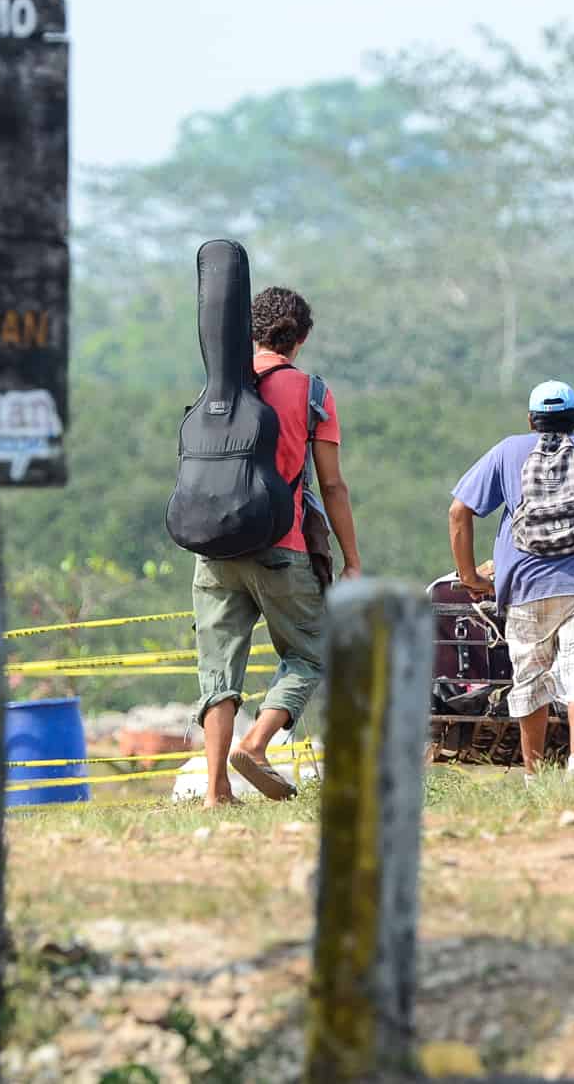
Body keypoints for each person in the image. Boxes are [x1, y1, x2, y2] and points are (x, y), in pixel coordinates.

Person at [193, 286, 363, 807]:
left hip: (213, 543)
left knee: (219, 672)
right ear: (301, 339)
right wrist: (352, 558)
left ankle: (216, 791)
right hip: (280, 543)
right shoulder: (311, 391)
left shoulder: (221, 381)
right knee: (309, 654)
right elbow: (331, 485)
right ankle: (256, 743)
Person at [447, 380, 574, 800]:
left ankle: (534, 780)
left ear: (530, 420)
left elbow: (459, 512)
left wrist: (470, 576)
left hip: (524, 588)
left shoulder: (508, 451)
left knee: (530, 681)